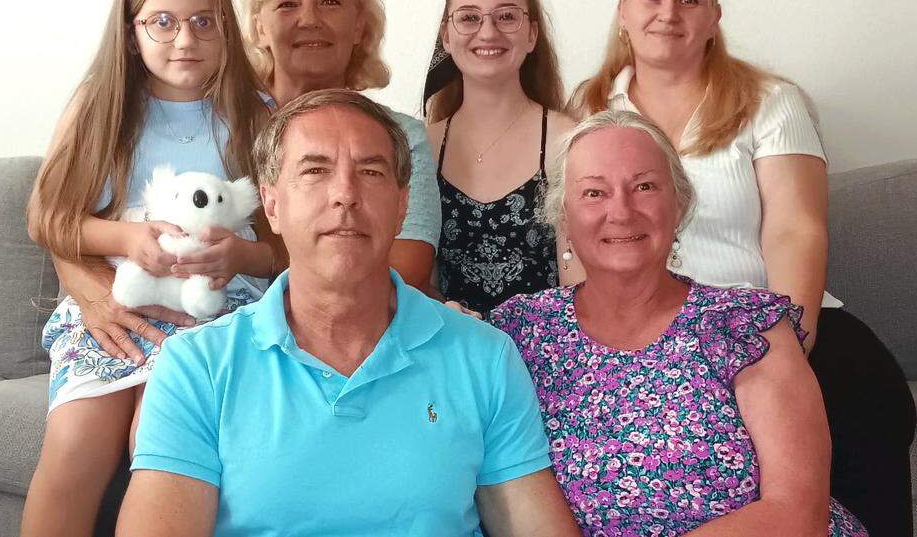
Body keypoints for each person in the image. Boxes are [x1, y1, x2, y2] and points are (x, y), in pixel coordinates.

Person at [116, 89, 581, 537]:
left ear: (402, 207)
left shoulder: (485, 356)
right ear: (272, 205)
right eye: (315, 170)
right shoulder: (196, 367)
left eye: (371, 172)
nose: (345, 194)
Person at [569, 0, 915, 536]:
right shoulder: (587, 106)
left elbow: (796, 230)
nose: (668, 12)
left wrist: (781, 354)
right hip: (651, 336)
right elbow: (579, 234)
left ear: (714, 18)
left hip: (780, 324)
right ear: (623, 13)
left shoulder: (770, 102)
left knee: (862, 416)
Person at [491, 110, 869, 536]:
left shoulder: (745, 325)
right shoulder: (520, 332)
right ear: (563, 216)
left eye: (645, 186)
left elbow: (796, 515)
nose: (622, 210)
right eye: (594, 193)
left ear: (680, 203)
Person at [21, 0, 278, 537]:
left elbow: (282, 250)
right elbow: (47, 217)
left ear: (225, 29)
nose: (184, 37)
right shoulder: (100, 106)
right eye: (162, 21)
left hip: (215, 314)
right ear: (132, 31)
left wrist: (240, 254)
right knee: (75, 442)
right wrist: (128, 238)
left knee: (157, 433)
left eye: (203, 21)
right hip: (117, 306)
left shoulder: (256, 115)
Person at [245, 0, 439, 290]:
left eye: (330, 1)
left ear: (359, 27)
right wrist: (102, 282)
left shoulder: (400, 135)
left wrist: (256, 258)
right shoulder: (222, 124)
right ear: (259, 28)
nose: (309, 19)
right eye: (287, 4)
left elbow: (406, 272)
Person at [423, 0, 583, 316]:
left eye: (506, 16)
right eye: (469, 17)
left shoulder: (570, 142)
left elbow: (581, 287)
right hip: (451, 355)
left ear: (532, 34)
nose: (488, 32)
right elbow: (415, 279)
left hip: (544, 356)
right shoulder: (421, 147)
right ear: (446, 36)